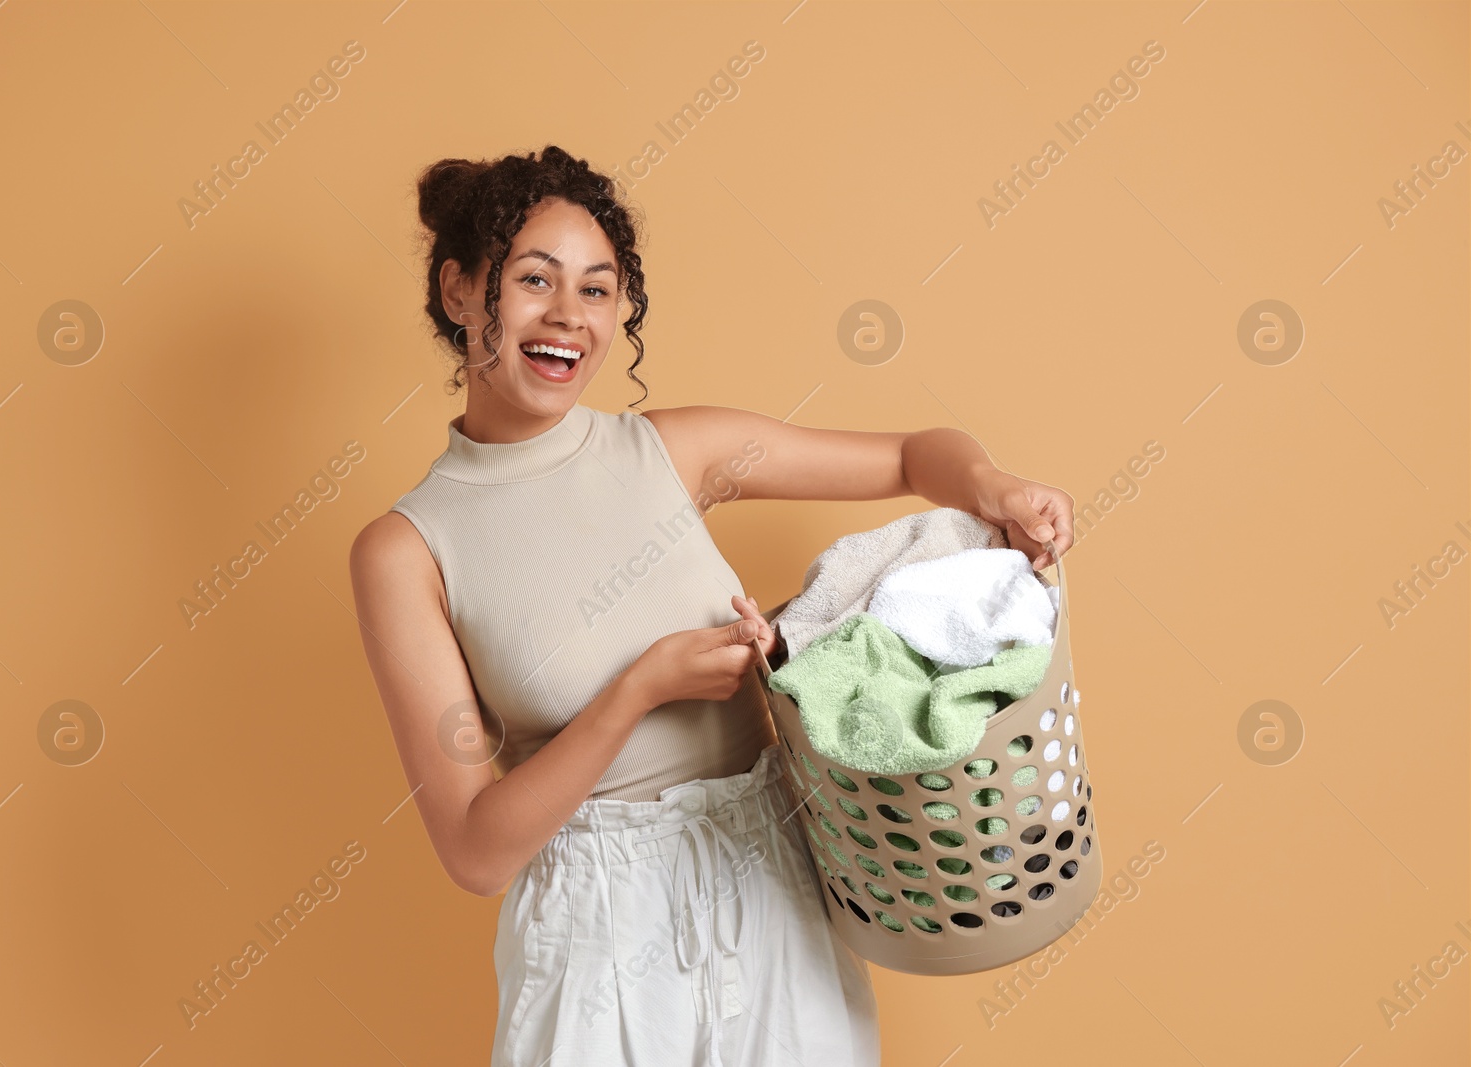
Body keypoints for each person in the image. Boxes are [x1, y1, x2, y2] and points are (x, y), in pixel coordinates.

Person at [349, 145, 1074, 1067]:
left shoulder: (671, 452)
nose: (568, 317)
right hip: (597, 925)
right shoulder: (407, 547)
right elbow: (475, 851)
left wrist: (994, 485)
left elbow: (910, 456)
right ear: (459, 291)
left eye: (599, 290)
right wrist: (639, 688)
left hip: (773, 873)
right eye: (535, 280)